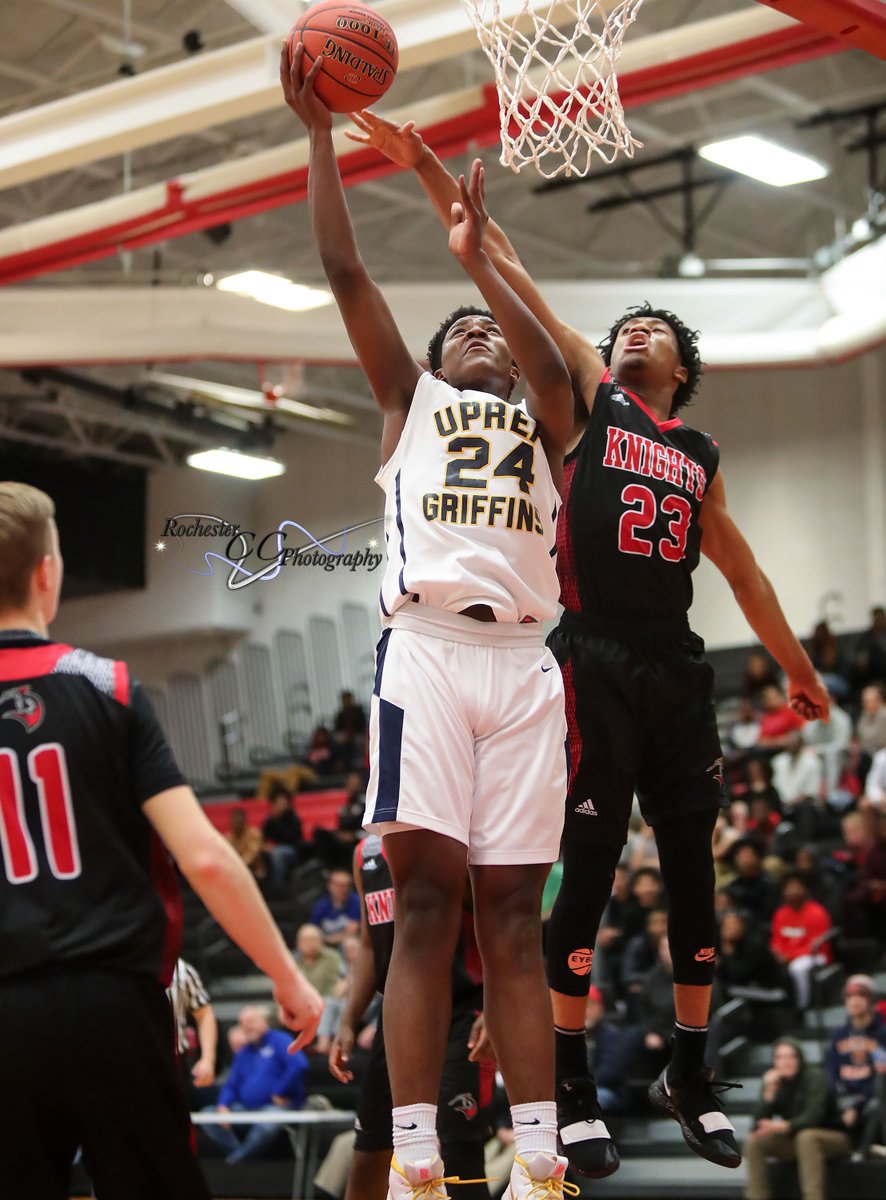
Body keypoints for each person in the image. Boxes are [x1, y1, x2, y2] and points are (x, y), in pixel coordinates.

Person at [345, 107, 829, 1177]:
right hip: (572, 650)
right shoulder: (584, 399)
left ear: (684, 370)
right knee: (582, 871)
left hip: (672, 660)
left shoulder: (693, 452)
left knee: (690, 868)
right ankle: (560, 1093)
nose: (635, 333)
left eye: (658, 329)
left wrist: (795, 670)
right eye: (626, 327)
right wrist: (431, 176)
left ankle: (688, 1068)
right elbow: (501, 261)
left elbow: (741, 572)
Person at [283, 48, 573, 1200]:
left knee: (513, 922)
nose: (483, 342)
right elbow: (343, 266)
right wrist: (318, 136)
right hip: (430, 655)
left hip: (525, 664)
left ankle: (539, 1166)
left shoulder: (549, 413)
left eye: (490, 336)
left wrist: (479, 259)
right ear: (436, 362)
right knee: (424, 916)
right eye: (464, 333)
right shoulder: (411, 401)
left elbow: (550, 361)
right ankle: (412, 1169)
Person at [0, 481, 323, 1200]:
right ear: (47, 573)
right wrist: (286, 976)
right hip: (113, 1001)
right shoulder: (107, 687)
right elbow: (204, 855)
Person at [327, 835, 492, 1200]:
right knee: (371, 1152)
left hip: (462, 1010)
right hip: (399, 1017)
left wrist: (494, 1003)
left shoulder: (451, 835)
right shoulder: (366, 853)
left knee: (458, 1150)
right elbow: (370, 943)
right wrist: (348, 1020)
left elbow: (497, 920)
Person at [743, 1038, 851, 1200]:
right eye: (780, 1057)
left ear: (799, 1058)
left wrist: (781, 1127)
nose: (785, 1062)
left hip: (834, 1137)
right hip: (796, 1139)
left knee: (807, 1137)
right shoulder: (774, 1082)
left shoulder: (815, 1076)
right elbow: (757, 1125)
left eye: (790, 1057)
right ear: (774, 1062)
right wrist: (769, 1094)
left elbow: (813, 1117)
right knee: (754, 1141)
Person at [202, 1005, 309, 1164]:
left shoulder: (279, 1040)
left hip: (276, 1108)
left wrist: (280, 1091)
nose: (247, 1026)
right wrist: (223, 1105)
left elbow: (299, 1064)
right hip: (246, 1108)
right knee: (208, 1115)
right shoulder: (244, 1051)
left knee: (268, 1124)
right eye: (243, 1023)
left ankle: (236, 1161)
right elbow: (232, 1083)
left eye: (251, 1021)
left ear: (264, 1021)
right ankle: (240, 1155)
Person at [824, 975, 886, 1159]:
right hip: (845, 1099)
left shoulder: (882, 1034)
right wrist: (844, 1104)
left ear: (871, 1001)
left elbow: (880, 1078)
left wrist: (857, 1105)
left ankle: (862, 1151)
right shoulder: (838, 1035)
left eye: (860, 996)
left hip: (872, 1099)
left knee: (876, 1104)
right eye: (849, 996)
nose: (854, 1001)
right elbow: (831, 1074)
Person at [769, 873, 833, 1009]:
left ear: (805, 889)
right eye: (789, 888)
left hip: (816, 956)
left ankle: (803, 1006)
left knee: (797, 967)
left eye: (796, 887)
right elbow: (777, 940)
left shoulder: (816, 912)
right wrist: (777, 952)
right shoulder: (781, 914)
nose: (793, 891)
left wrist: (789, 956)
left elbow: (815, 945)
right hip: (788, 955)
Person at [167, 957, 218, 1103]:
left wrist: (208, 1059)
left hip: (173, 1062)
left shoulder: (181, 969)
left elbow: (205, 1014)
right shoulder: (115, 963)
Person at [262, 783, 304, 886]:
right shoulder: (270, 821)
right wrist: (265, 846)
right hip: (276, 849)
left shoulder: (293, 818)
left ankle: (278, 886)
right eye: (278, 801)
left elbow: (292, 838)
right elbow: (263, 838)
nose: (281, 803)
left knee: (278, 853)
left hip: (294, 850)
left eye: (283, 801)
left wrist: (278, 820)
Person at [309, 870, 362, 949]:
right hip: (325, 946)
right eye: (337, 885)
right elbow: (312, 930)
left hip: (350, 946)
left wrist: (328, 938)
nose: (341, 889)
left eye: (345, 886)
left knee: (350, 943)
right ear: (329, 886)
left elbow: (353, 932)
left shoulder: (357, 902)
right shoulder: (321, 905)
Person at [228, 806, 268, 882]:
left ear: (244, 820)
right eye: (234, 819)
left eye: (239, 819)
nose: (236, 821)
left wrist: (238, 867)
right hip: (236, 871)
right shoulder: (228, 838)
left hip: (254, 870)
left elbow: (252, 854)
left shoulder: (254, 834)